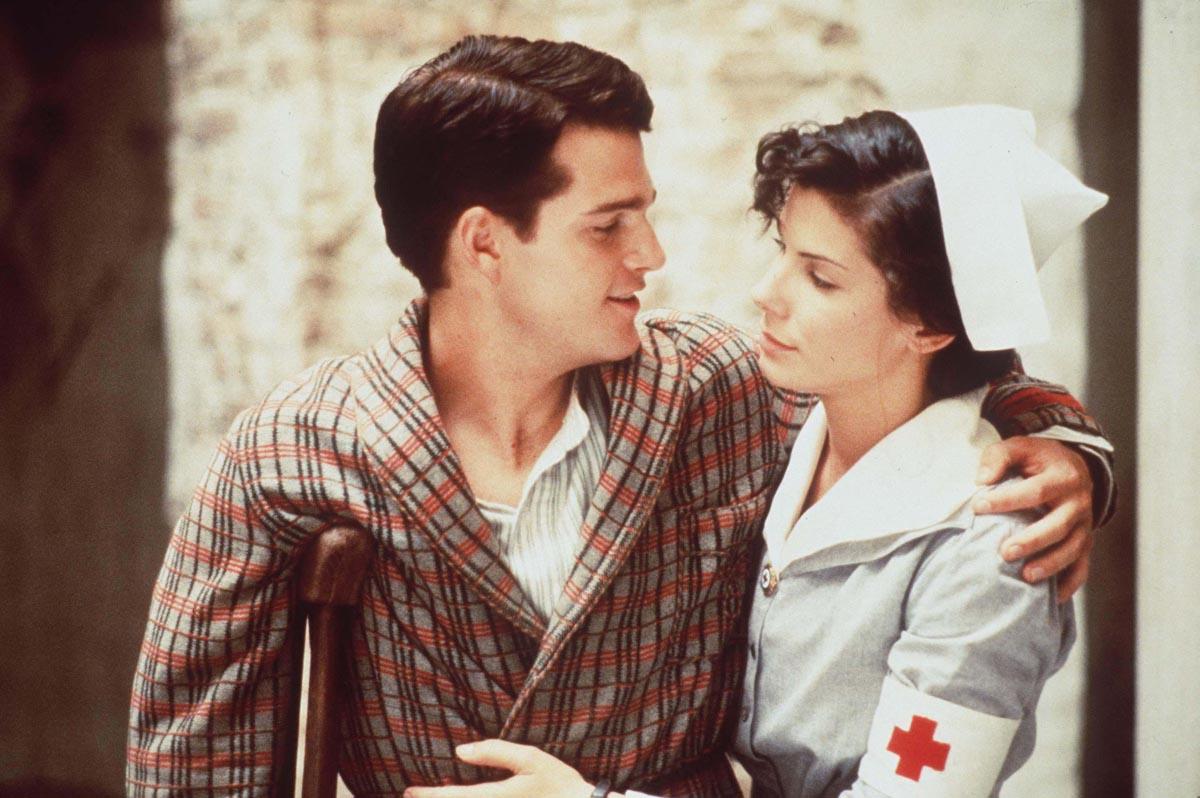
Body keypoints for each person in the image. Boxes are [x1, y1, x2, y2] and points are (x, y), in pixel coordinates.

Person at [128, 36, 1112, 797]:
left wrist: (1065, 445)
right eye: (608, 225)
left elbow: (931, 376)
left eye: (644, 211)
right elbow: (194, 755)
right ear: (484, 245)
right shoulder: (292, 450)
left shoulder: (711, 391)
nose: (652, 254)